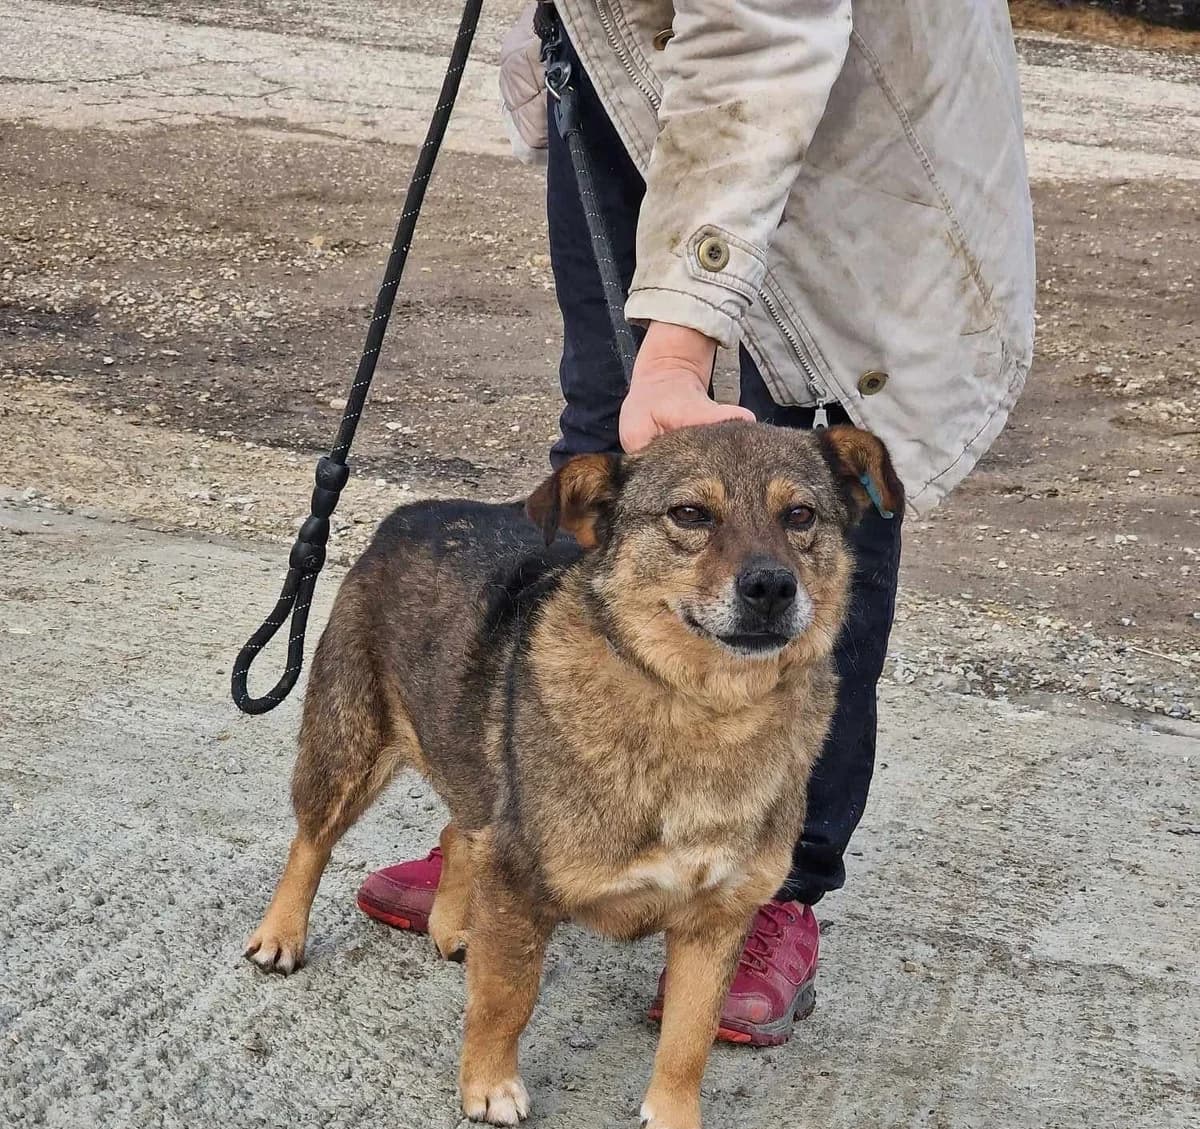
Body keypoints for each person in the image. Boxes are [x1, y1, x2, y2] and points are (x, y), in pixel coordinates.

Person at [357, 0, 1035, 1045]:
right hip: (635, 66)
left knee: (794, 468)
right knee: (609, 441)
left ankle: (769, 890)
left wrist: (678, 345)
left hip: (831, 113)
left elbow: (763, 34)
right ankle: (532, 822)